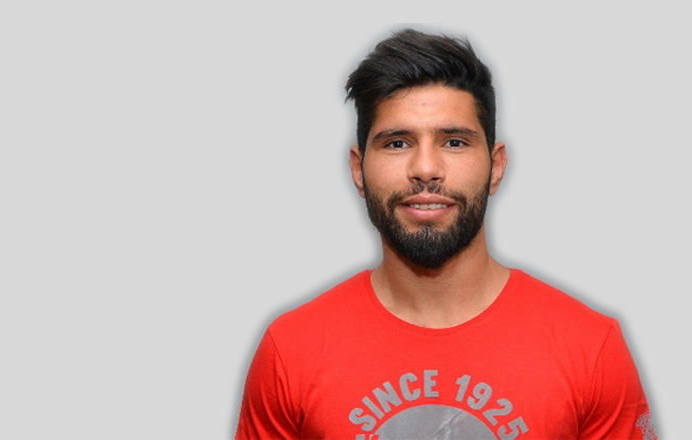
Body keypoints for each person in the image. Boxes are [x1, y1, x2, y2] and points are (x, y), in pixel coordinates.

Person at [234, 29, 656, 440]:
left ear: (496, 167)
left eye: (454, 142)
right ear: (358, 170)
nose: (425, 168)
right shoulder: (292, 350)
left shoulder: (590, 347)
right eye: (397, 143)